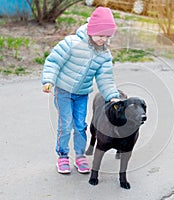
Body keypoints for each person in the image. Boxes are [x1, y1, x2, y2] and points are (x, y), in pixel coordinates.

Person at [41, 7, 120, 174]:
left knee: (80, 125)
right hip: (63, 91)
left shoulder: (104, 54)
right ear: (91, 30)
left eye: (107, 36)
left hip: (81, 94)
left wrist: (112, 96)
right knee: (66, 123)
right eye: (100, 35)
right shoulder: (71, 43)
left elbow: (105, 78)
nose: (103, 39)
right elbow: (53, 61)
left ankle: (79, 155)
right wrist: (49, 79)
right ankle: (63, 155)